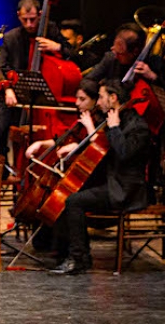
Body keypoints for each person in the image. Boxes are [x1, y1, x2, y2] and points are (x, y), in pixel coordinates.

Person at [48, 79, 154, 275]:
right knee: (68, 191)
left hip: (126, 190)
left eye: (102, 97)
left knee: (74, 201)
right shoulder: (114, 119)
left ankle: (79, 259)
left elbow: (123, 153)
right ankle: (63, 252)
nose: (98, 102)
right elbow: (105, 152)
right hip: (112, 181)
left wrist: (113, 128)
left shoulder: (137, 126)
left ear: (113, 98)